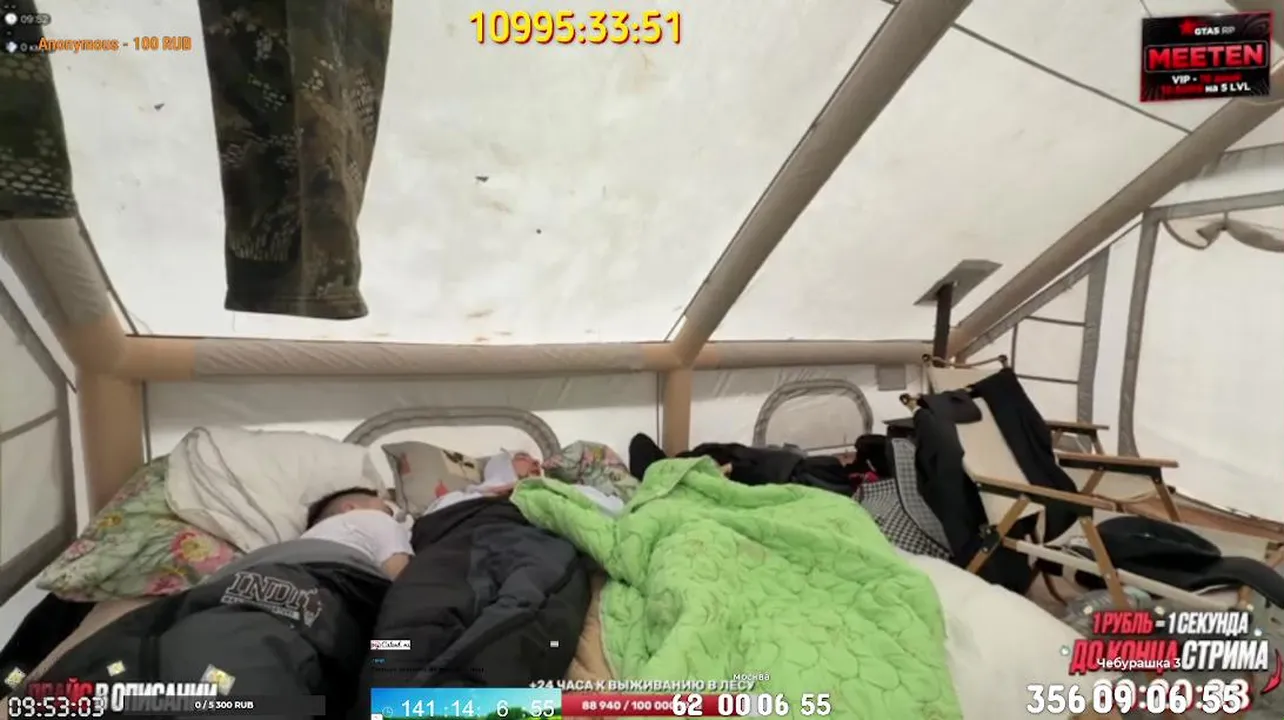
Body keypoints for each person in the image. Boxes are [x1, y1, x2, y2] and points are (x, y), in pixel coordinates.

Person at [301, 487, 414, 579]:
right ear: (350, 508)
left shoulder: (306, 538)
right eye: (387, 510)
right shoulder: (374, 518)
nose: (393, 518)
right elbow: (401, 581)